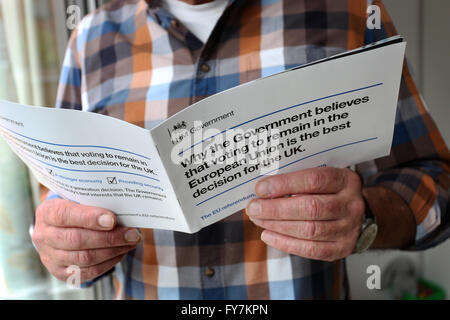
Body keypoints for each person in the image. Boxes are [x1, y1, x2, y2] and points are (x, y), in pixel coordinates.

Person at [32, 0, 450, 299]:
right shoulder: (90, 40)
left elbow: (438, 183)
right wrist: (63, 243)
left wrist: (368, 217)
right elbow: (59, 199)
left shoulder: (349, 11)